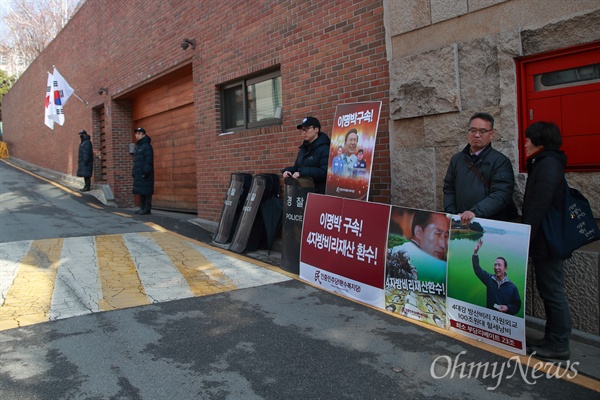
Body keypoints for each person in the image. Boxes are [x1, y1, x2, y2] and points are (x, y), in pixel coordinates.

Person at [522, 121, 571, 360]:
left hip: (547, 242)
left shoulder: (548, 165)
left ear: (540, 142)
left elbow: (539, 205)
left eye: (529, 139)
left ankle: (559, 344)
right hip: (543, 240)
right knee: (547, 290)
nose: (525, 143)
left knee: (552, 292)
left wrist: (524, 237)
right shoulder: (544, 163)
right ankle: (551, 338)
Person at [443, 112, 515, 225]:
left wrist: (474, 212)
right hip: (459, 221)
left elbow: (501, 194)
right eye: (473, 130)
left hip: (488, 224)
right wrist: (452, 213)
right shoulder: (457, 159)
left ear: (491, 134)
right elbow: (449, 188)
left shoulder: (500, 161)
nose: (477, 135)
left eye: (482, 131)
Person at [391, 211, 450, 284]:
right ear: (418, 232)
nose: (443, 244)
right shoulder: (399, 254)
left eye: (446, 236)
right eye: (437, 234)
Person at [282, 116, 331, 194]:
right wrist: (287, 171)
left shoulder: (325, 149)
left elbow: (325, 173)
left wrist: (302, 172)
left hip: (318, 194)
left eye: (306, 129)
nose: (303, 132)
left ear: (316, 129)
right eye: (302, 130)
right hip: (303, 192)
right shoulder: (303, 150)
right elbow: (297, 167)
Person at [472, 239, 521, 315]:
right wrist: (475, 252)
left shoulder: (512, 287)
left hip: (503, 320)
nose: (496, 267)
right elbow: (477, 269)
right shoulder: (489, 279)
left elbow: (517, 305)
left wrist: (507, 308)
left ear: (505, 269)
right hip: (489, 317)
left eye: (499, 265)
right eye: (495, 265)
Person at [132, 127, 154, 215]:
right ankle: (142, 207)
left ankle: (147, 208)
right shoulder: (138, 146)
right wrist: (134, 171)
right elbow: (136, 161)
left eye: (139, 134)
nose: (137, 135)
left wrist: (145, 171)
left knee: (146, 190)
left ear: (143, 135)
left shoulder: (147, 146)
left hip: (145, 173)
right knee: (141, 191)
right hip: (139, 172)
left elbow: (148, 160)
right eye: (136, 134)